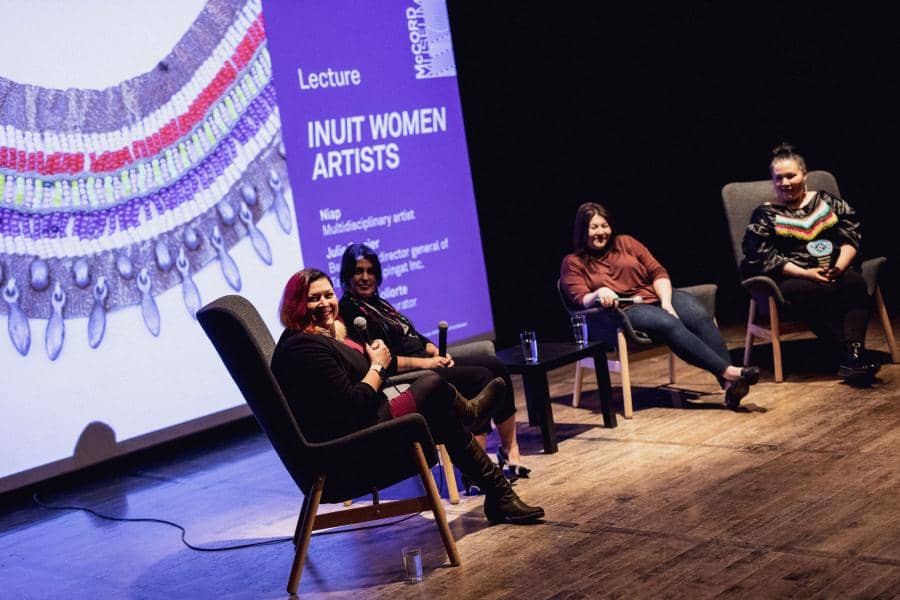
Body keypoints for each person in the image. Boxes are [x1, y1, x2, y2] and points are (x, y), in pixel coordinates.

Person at [270, 268, 544, 524]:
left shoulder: (323, 337)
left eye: (328, 295)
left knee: (443, 415)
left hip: (368, 418)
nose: (325, 303)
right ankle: (471, 416)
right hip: (353, 439)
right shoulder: (304, 348)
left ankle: (499, 496)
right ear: (295, 305)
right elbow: (353, 404)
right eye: (313, 299)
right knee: (433, 386)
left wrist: (370, 357)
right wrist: (377, 364)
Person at [338, 243, 531, 481]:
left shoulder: (380, 303)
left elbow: (411, 334)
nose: (365, 277)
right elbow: (383, 360)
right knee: (481, 377)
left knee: (496, 366)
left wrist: (432, 349)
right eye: (358, 271)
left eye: (370, 271)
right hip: (410, 377)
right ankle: (477, 466)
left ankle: (510, 449)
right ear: (347, 275)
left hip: (427, 362)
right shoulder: (349, 311)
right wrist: (428, 364)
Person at [560, 202, 759, 408]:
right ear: (583, 231)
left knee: (699, 314)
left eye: (605, 226)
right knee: (668, 323)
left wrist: (666, 302)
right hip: (626, 310)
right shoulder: (573, 262)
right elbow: (579, 300)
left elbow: (657, 272)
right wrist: (599, 294)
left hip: (657, 295)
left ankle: (729, 386)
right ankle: (731, 372)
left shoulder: (626, 243)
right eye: (594, 227)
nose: (601, 232)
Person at [741, 143, 878, 381]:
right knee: (810, 292)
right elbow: (763, 254)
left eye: (791, 176)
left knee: (855, 284)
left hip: (835, 269)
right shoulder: (765, 214)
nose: (785, 183)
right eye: (778, 178)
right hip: (793, 277)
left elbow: (851, 234)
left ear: (804, 175)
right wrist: (807, 273)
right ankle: (852, 357)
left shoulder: (827, 202)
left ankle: (851, 358)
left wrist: (840, 266)